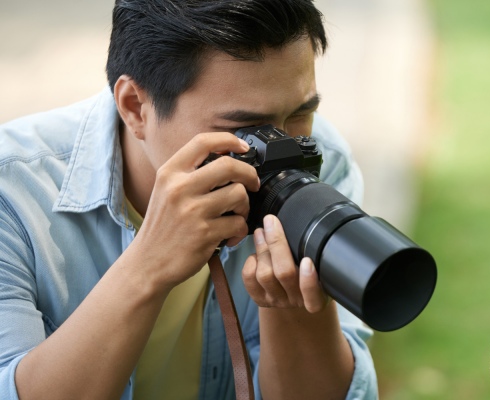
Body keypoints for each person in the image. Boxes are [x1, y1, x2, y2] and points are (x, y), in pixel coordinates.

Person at [0, 0, 379, 399]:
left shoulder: (323, 163)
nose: (283, 148)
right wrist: (148, 266)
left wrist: (295, 309)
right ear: (135, 107)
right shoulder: (15, 191)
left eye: (300, 114)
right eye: (249, 129)